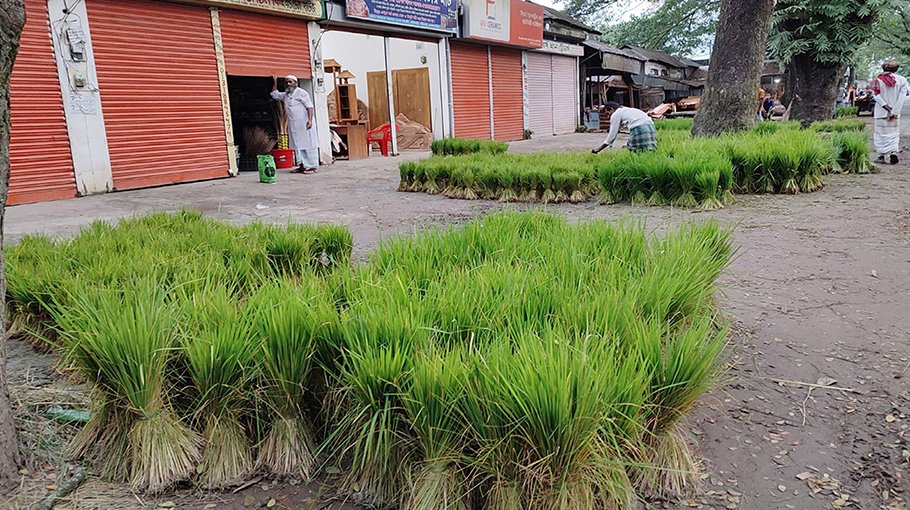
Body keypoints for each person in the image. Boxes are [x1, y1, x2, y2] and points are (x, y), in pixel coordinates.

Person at [271, 75, 319, 173]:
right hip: (294, 126)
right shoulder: (286, 95)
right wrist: (274, 81)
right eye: (287, 82)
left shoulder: (302, 93)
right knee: (297, 146)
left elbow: (309, 107)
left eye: (290, 82)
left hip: (304, 124)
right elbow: (274, 94)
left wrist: (309, 120)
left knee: (308, 144)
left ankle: (312, 167)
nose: (288, 84)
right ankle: (302, 166)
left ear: (296, 83)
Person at [870, 60, 909, 165]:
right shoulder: (903, 80)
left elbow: (876, 96)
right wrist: (894, 111)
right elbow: (902, 97)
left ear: (883, 68)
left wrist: (887, 108)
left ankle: (881, 156)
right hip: (895, 114)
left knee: (880, 134)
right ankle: (893, 152)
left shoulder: (877, 80)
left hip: (881, 112)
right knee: (893, 134)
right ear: (896, 69)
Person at [591, 102, 657, 154]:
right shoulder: (628, 110)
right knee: (649, 150)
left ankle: (636, 166)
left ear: (612, 109)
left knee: (633, 150)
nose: (608, 116)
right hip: (651, 127)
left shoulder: (616, 114)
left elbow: (612, 135)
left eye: (607, 113)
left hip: (639, 128)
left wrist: (599, 149)